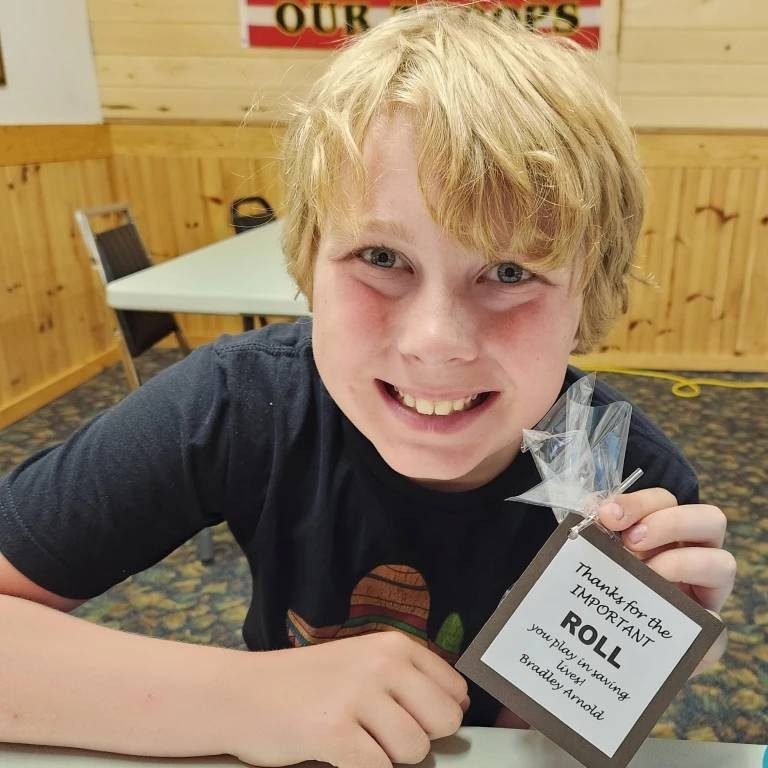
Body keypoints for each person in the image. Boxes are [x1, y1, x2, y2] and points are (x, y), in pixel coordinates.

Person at [0, 4, 735, 767]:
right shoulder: (239, 405)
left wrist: (655, 648)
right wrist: (240, 696)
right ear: (311, 259)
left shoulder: (629, 482)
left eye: (510, 272)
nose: (434, 343)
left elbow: (538, 743)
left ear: (592, 293)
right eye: (382, 257)